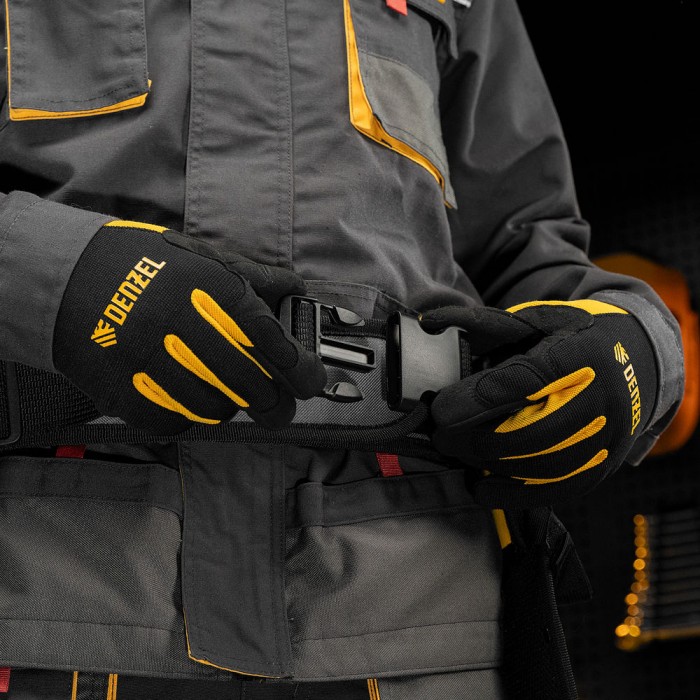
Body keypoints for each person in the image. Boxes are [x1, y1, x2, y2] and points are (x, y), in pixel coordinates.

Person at [0, 0, 683, 698]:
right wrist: (52, 276)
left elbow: (532, 246)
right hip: (62, 599)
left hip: (420, 622)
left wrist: (636, 351)